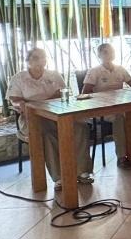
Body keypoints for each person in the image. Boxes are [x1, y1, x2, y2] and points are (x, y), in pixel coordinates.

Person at [7, 48, 92, 190]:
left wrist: (48, 102)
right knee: (46, 134)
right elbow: (14, 99)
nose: (40, 61)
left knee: (80, 127)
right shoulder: (19, 78)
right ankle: (59, 177)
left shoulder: (54, 75)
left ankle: (82, 171)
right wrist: (23, 104)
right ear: (27, 60)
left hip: (57, 114)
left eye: (43, 57)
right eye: (35, 58)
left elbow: (63, 93)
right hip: (32, 118)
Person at [82, 43, 131, 169]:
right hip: (103, 109)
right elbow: (85, 93)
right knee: (119, 117)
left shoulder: (120, 69)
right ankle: (122, 157)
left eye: (111, 51)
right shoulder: (94, 71)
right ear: (99, 55)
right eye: (105, 52)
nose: (109, 54)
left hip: (120, 105)